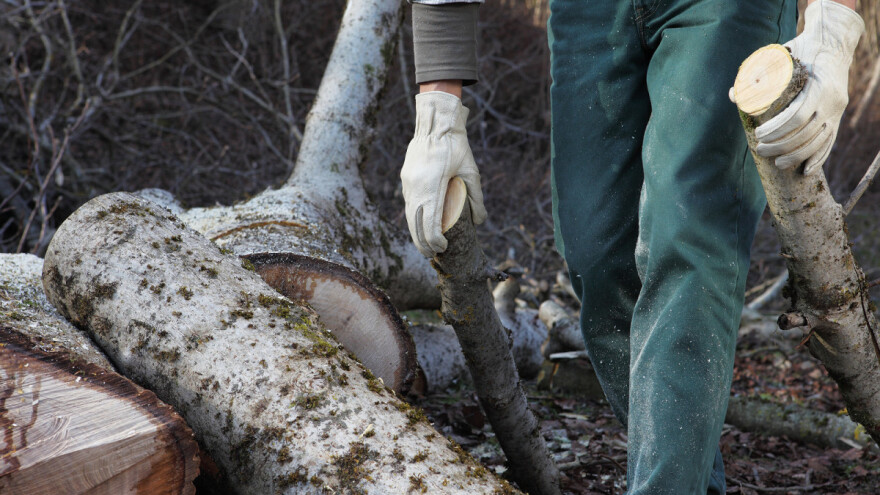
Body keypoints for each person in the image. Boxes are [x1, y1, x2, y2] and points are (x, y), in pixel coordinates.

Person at [400, 0, 864, 493]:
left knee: (688, 241)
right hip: (591, 14)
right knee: (596, 257)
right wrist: (438, 111)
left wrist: (832, 27)